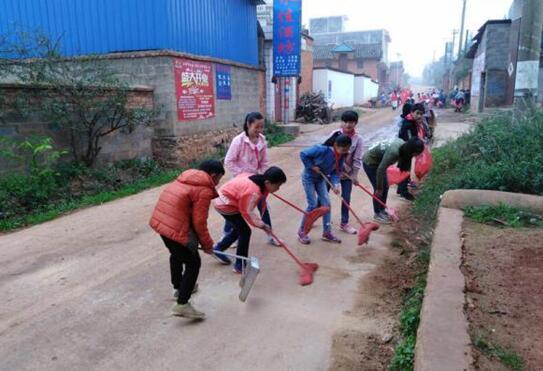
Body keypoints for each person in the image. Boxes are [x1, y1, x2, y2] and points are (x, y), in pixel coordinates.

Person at [149, 160, 225, 319]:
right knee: (193, 262)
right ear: (213, 175)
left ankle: (179, 288)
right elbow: (199, 222)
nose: (218, 183)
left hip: (162, 223)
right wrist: (208, 245)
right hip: (175, 227)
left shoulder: (185, 178)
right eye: (218, 179)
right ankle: (182, 304)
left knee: (176, 254)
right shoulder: (203, 189)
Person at [213, 167, 287, 273]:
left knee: (239, 229)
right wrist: (262, 225)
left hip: (227, 199)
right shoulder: (253, 192)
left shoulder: (259, 181)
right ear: (268, 182)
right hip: (224, 204)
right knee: (245, 231)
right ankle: (240, 265)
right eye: (277, 186)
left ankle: (218, 249)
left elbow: (260, 205)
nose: (278, 189)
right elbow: (247, 212)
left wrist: (265, 224)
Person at [223, 112, 278, 246]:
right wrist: (243, 175)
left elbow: (264, 162)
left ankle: (271, 235)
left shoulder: (262, 140)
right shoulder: (239, 141)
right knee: (235, 209)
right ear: (248, 125)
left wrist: (264, 176)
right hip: (241, 182)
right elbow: (229, 161)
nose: (259, 131)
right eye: (256, 127)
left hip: (258, 180)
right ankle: (226, 236)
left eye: (261, 127)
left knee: (263, 206)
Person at [297, 134, 352, 244]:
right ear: (336, 145)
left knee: (326, 205)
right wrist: (312, 166)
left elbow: (336, 172)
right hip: (309, 178)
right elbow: (303, 154)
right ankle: (302, 231)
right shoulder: (321, 149)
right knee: (312, 204)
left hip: (321, 179)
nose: (345, 152)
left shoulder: (341, 156)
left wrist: (336, 185)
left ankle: (327, 232)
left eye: (347, 150)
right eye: (343, 149)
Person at [363, 137, 424, 223]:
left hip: (379, 163)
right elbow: (381, 169)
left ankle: (382, 210)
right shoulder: (394, 152)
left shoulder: (404, 146)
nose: (416, 156)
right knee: (379, 189)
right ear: (411, 151)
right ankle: (377, 214)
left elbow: (404, 167)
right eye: (416, 154)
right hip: (370, 162)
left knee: (385, 186)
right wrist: (379, 187)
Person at [326, 110, 364, 235]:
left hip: (347, 173)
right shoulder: (335, 134)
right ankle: (314, 215)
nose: (348, 124)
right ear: (342, 122)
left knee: (346, 198)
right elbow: (326, 151)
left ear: (356, 123)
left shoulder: (358, 139)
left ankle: (344, 223)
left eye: (351, 122)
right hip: (330, 172)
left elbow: (357, 159)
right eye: (345, 121)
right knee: (323, 196)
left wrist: (354, 175)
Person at [397, 103, 426, 200]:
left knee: (405, 168)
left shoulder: (413, 121)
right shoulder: (408, 123)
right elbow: (409, 140)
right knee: (405, 169)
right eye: (417, 113)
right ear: (412, 112)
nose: (419, 116)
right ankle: (403, 192)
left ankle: (400, 189)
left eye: (421, 114)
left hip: (407, 147)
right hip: (405, 148)